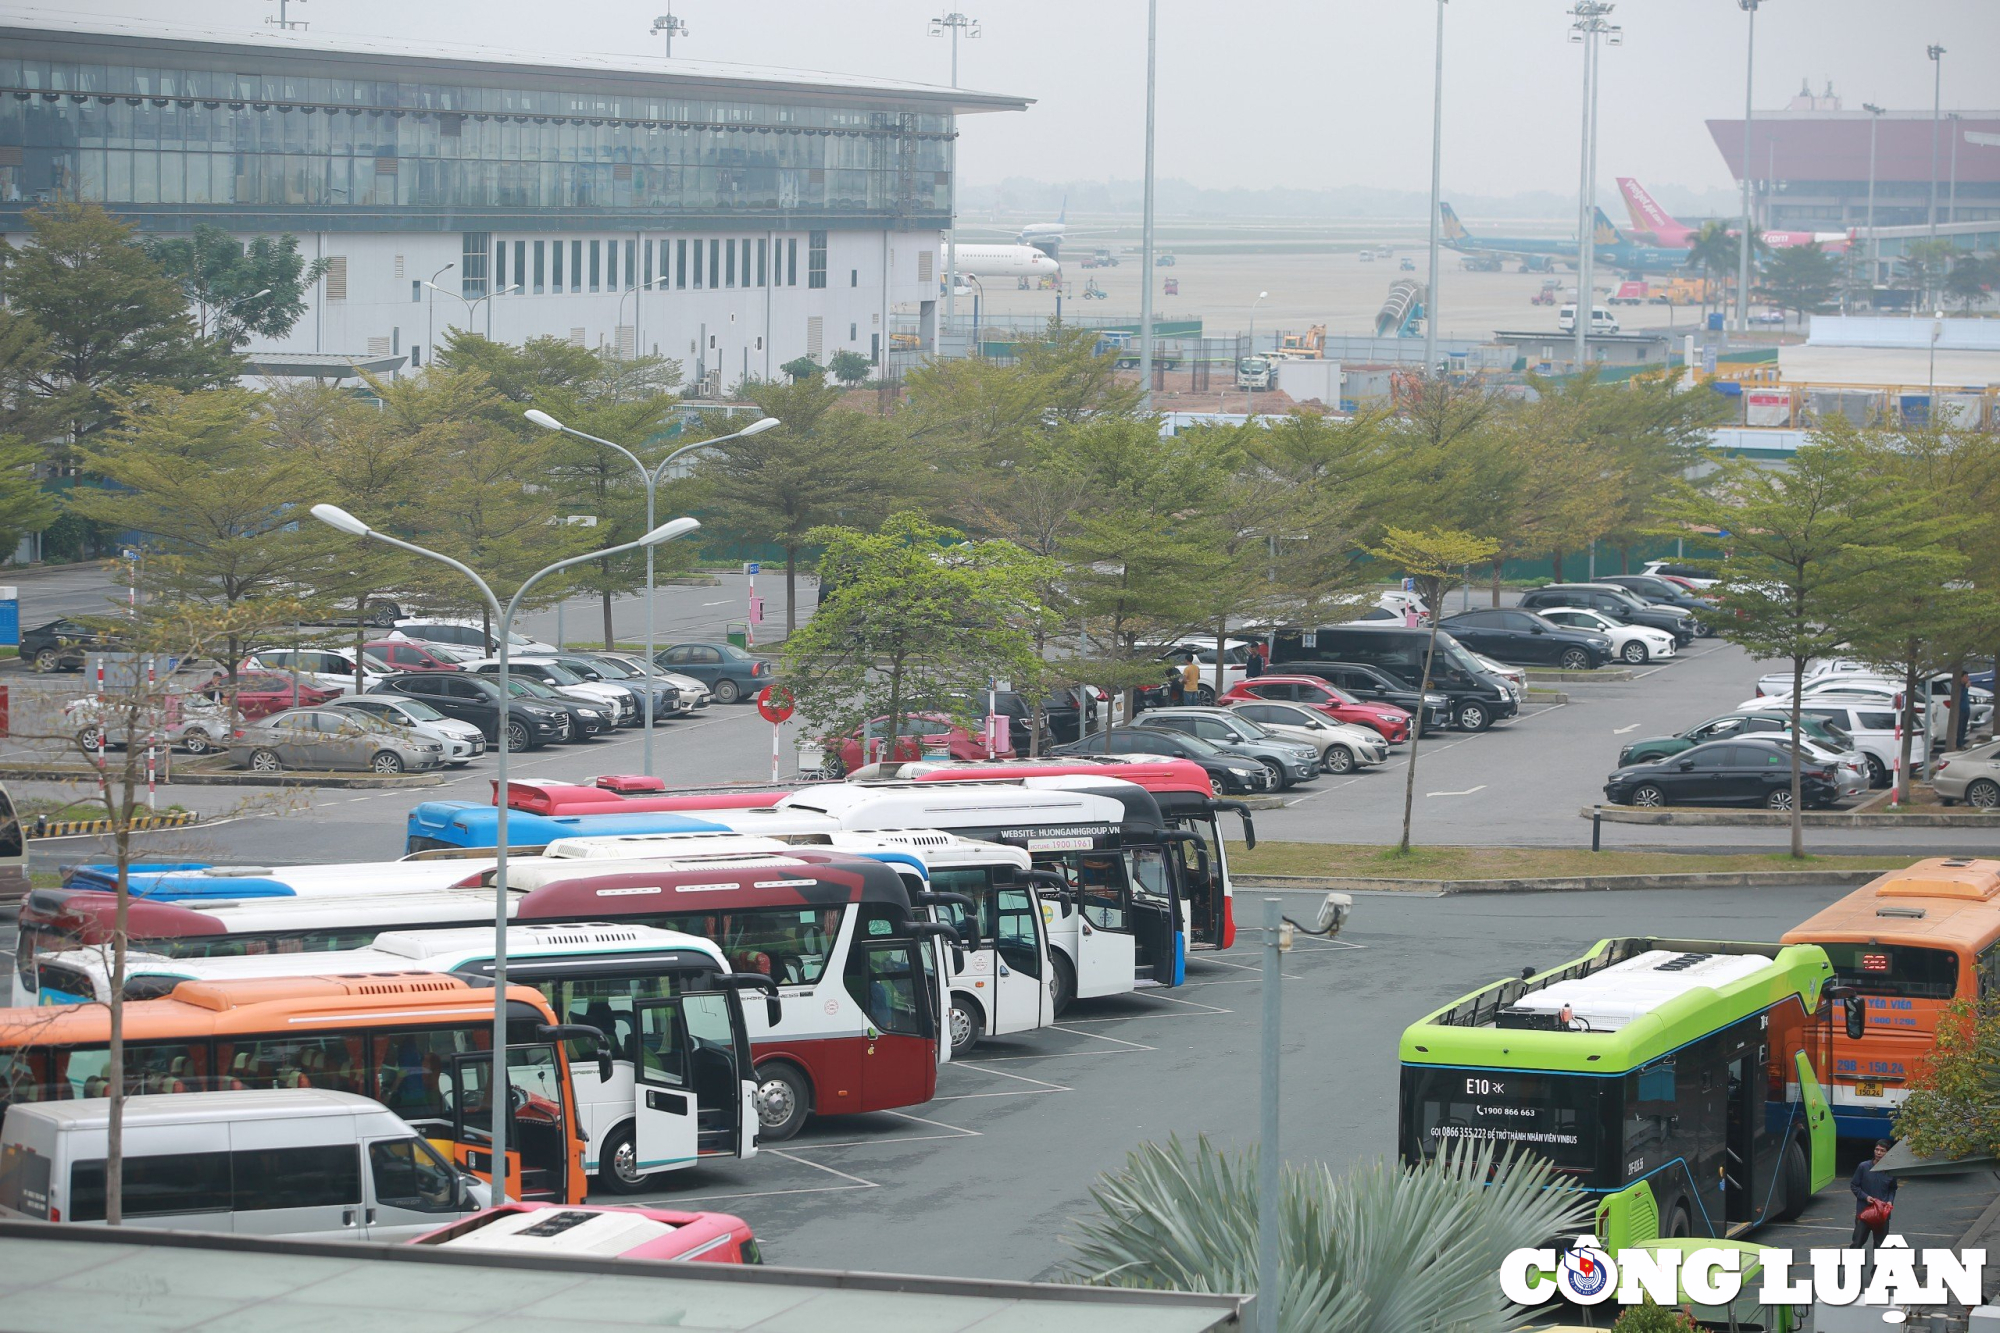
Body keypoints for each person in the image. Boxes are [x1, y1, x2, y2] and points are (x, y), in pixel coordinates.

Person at [1850, 1137, 1899, 1250]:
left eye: (1882, 1151)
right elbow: (1854, 1185)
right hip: (1864, 1213)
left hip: (1882, 1214)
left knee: (1881, 1246)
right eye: (1877, 1149)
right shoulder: (1863, 1167)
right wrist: (1865, 1197)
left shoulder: (1891, 1171)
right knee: (1857, 1243)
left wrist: (1890, 1200)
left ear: (1887, 1153)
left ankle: (1877, 1268)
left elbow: (1893, 1188)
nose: (1879, 1153)